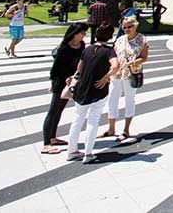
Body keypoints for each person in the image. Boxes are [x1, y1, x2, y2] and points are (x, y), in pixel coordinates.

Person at [67, 24, 119, 164]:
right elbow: (115, 66)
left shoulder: (87, 49)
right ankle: (88, 153)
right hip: (98, 88)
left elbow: (79, 68)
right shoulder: (109, 51)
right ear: (110, 36)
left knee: (77, 119)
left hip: (82, 88)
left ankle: (71, 150)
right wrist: (106, 77)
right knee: (93, 120)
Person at [42, 22, 87, 153]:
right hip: (61, 82)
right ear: (74, 33)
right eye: (82, 33)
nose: (84, 35)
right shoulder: (64, 48)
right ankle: (46, 143)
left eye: (84, 33)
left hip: (72, 82)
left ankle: (53, 137)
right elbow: (54, 69)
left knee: (59, 110)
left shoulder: (81, 45)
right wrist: (53, 83)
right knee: (53, 111)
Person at [103, 15, 148, 142]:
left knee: (129, 100)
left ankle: (126, 129)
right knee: (112, 99)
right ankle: (111, 128)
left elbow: (144, 57)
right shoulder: (120, 39)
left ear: (136, 26)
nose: (127, 29)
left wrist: (133, 63)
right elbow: (114, 55)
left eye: (130, 26)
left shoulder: (142, 39)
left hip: (131, 73)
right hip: (117, 73)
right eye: (124, 27)